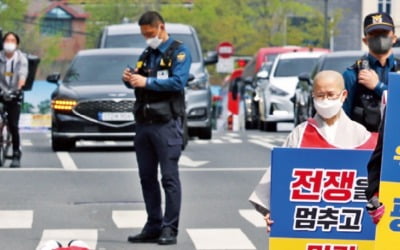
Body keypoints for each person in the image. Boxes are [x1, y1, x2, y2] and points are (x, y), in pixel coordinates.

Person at [249, 70, 378, 232]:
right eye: (320, 95)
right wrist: (274, 212)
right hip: (309, 220)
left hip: (349, 222)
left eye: (331, 94)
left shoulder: (361, 134)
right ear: (313, 96)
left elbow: (375, 180)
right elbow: (279, 174)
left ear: (344, 95)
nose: (325, 100)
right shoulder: (300, 133)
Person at [122, 11, 191, 245]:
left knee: (169, 178)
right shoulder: (148, 53)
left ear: (161, 27)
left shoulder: (178, 51)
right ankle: (153, 224)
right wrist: (130, 78)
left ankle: (170, 228)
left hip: (166, 123)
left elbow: (178, 81)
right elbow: (140, 77)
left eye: (150, 33)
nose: (147, 38)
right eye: (143, 35)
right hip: (144, 123)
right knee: (146, 177)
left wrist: (147, 82)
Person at [342, 12, 398, 132]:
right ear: (365, 40)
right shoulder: (352, 74)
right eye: (373, 34)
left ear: (394, 38)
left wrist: (378, 86)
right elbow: (343, 117)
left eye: (384, 33)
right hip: (362, 142)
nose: (379, 38)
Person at [0, 32, 28, 168]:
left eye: (12, 40)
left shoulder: (21, 59)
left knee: (13, 124)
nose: (9, 43)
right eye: (7, 40)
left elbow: (22, 75)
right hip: (1, 90)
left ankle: (16, 153)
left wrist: (18, 88)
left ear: (17, 44)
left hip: (15, 93)